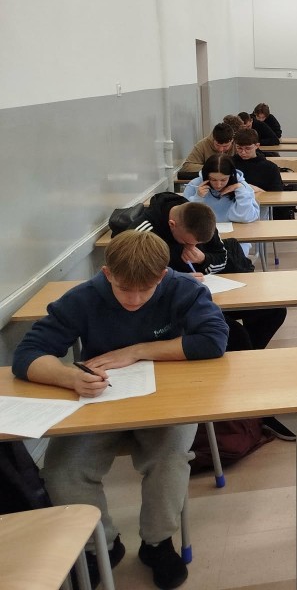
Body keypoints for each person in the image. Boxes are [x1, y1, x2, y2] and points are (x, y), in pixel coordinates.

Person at [13, 231, 229, 590]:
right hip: (100, 401)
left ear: (162, 276)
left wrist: (137, 351)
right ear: (108, 273)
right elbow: (28, 355)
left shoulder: (183, 289)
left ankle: (157, 542)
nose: (135, 299)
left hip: (165, 399)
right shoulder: (83, 298)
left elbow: (213, 340)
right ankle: (101, 546)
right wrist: (69, 377)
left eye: (146, 290)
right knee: (64, 471)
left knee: (169, 460)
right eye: (125, 288)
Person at [116, 195, 288, 379]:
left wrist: (203, 259)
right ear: (172, 225)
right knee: (235, 336)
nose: (193, 246)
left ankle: (242, 366)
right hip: (174, 300)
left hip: (210, 290)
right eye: (187, 242)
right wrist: (177, 278)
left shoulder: (202, 219)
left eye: (198, 244)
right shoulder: (144, 231)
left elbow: (222, 256)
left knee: (273, 310)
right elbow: (133, 275)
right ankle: (239, 370)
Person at [231, 128, 293, 220]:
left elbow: (277, 194)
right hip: (233, 208)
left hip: (261, 209)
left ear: (257, 146)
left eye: (248, 148)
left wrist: (257, 190)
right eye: (239, 148)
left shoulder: (270, 167)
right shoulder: (229, 164)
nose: (243, 152)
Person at [183, 154, 259, 226]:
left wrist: (240, 190)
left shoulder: (242, 186)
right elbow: (185, 217)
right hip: (203, 230)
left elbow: (246, 217)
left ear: (231, 176)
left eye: (223, 180)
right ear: (206, 176)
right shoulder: (195, 184)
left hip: (235, 231)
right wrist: (198, 197)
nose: (218, 185)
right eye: (213, 180)